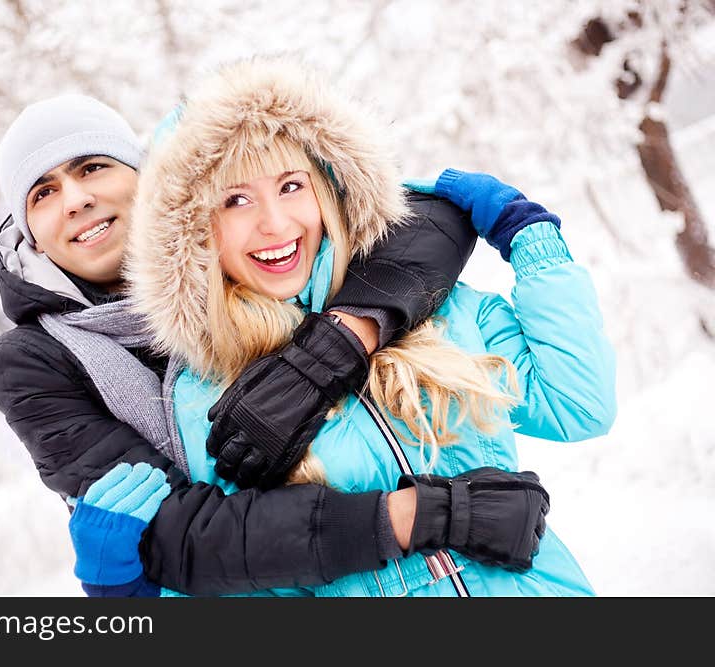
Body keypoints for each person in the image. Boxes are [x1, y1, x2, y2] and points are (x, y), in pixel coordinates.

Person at [90, 55, 617, 597]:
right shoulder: (203, 399)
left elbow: (577, 404)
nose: (275, 223)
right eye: (236, 199)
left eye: (291, 186)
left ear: (330, 189)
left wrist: (531, 238)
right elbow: (248, 575)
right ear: (194, 232)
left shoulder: (437, 308)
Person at [0, 92, 554, 596]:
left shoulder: (240, 263)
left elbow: (409, 225)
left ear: (149, 178)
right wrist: (418, 517)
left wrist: (338, 344)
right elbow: (182, 534)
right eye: (43, 193)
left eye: (92, 167)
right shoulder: (35, 362)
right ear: (30, 230)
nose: (76, 199)